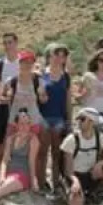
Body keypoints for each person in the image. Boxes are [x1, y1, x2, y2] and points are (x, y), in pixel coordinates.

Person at [60, 108, 103, 205]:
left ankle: (98, 192)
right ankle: (77, 194)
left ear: (91, 122)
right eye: (79, 119)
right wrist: (75, 182)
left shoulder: (100, 137)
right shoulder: (71, 139)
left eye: (82, 119)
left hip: (92, 174)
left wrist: (100, 164)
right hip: (74, 176)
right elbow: (68, 170)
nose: (79, 122)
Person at [38, 43, 72, 191]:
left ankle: (56, 184)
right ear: (49, 56)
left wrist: (69, 120)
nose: (59, 58)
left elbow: (68, 100)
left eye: (63, 56)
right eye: (56, 55)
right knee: (42, 153)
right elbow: (37, 96)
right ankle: (41, 184)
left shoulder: (66, 77)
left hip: (59, 118)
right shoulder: (41, 75)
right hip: (43, 118)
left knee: (57, 153)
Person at [75, 49, 103, 136]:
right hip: (87, 116)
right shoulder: (87, 76)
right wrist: (87, 93)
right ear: (96, 61)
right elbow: (77, 98)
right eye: (101, 60)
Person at [0, 32, 21, 168]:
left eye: (10, 42)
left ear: (16, 43)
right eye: (5, 43)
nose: (7, 46)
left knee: (18, 141)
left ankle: (15, 172)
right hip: (2, 107)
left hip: (19, 107)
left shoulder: (22, 62)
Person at [5, 50, 48, 131]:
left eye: (30, 62)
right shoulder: (11, 81)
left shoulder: (39, 81)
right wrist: (7, 96)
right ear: (19, 63)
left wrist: (42, 95)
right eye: (25, 62)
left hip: (33, 122)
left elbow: (44, 100)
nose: (28, 65)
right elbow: (1, 98)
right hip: (15, 123)